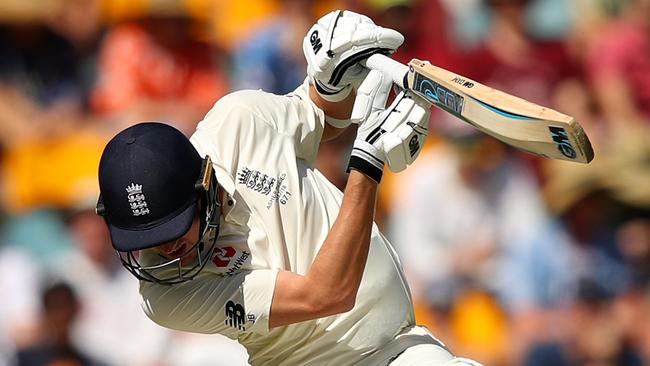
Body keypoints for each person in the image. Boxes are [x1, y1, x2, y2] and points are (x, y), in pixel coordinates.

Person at [96, 10, 482, 366]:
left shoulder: (239, 122)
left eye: (173, 228)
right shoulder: (164, 299)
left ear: (204, 186)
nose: (164, 249)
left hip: (401, 346)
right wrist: (367, 161)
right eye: (144, 239)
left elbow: (320, 117)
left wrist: (332, 81)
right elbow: (327, 295)